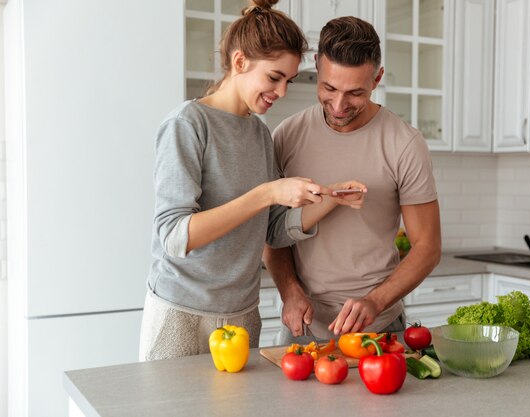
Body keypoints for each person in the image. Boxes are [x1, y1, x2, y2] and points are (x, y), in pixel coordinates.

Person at [139, 0, 366, 361]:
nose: (282, 92)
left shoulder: (259, 135)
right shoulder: (188, 124)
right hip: (181, 313)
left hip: (243, 314)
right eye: (274, 78)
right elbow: (174, 236)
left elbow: (272, 231)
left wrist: (331, 199)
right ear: (240, 62)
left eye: (288, 81)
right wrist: (266, 193)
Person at [263, 16, 442, 344]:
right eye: (329, 88)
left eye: (355, 93)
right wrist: (290, 292)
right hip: (302, 327)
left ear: (378, 79)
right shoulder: (286, 136)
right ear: (316, 65)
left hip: (380, 327)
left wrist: (375, 301)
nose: (340, 105)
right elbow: (271, 233)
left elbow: (427, 247)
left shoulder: (404, 144)